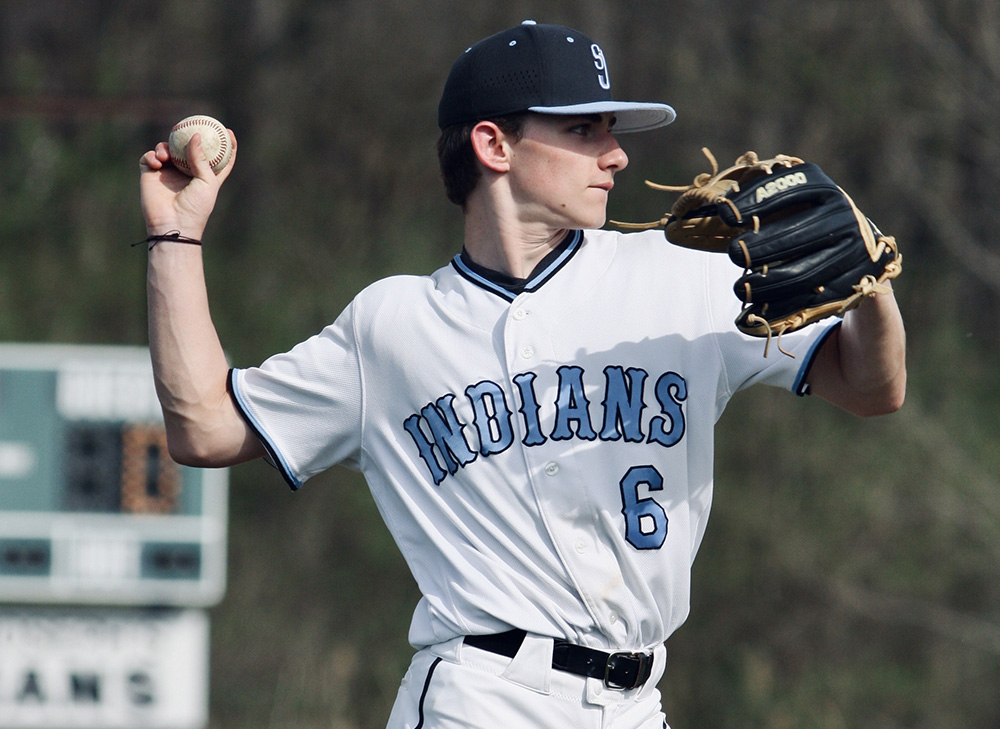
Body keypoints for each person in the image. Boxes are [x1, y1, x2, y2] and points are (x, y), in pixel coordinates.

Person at [139, 20, 905, 729]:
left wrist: (869, 284)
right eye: (582, 128)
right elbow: (203, 425)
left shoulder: (684, 276)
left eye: (611, 128)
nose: (617, 153)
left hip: (637, 704)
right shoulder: (392, 327)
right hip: (483, 694)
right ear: (493, 145)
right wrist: (176, 235)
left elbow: (873, 387)